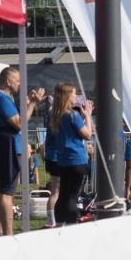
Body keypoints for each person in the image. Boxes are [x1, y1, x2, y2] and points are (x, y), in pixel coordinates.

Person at [0, 67, 45, 236]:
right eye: (18, 80)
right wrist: (32, 103)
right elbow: (19, 124)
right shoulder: (1, 99)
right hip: (8, 149)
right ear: (8, 81)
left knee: (2, 190)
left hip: (4, 147)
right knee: (7, 192)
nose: (20, 84)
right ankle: (8, 234)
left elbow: (19, 120)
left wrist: (28, 106)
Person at [48, 83, 93, 226]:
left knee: (63, 195)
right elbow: (87, 135)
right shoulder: (73, 115)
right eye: (74, 94)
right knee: (73, 196)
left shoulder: (56, 115)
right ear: (68, 96)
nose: (76, 96)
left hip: (63, 160)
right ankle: (71, 223)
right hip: (76, 160)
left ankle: (60, 222)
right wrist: (87, 116)